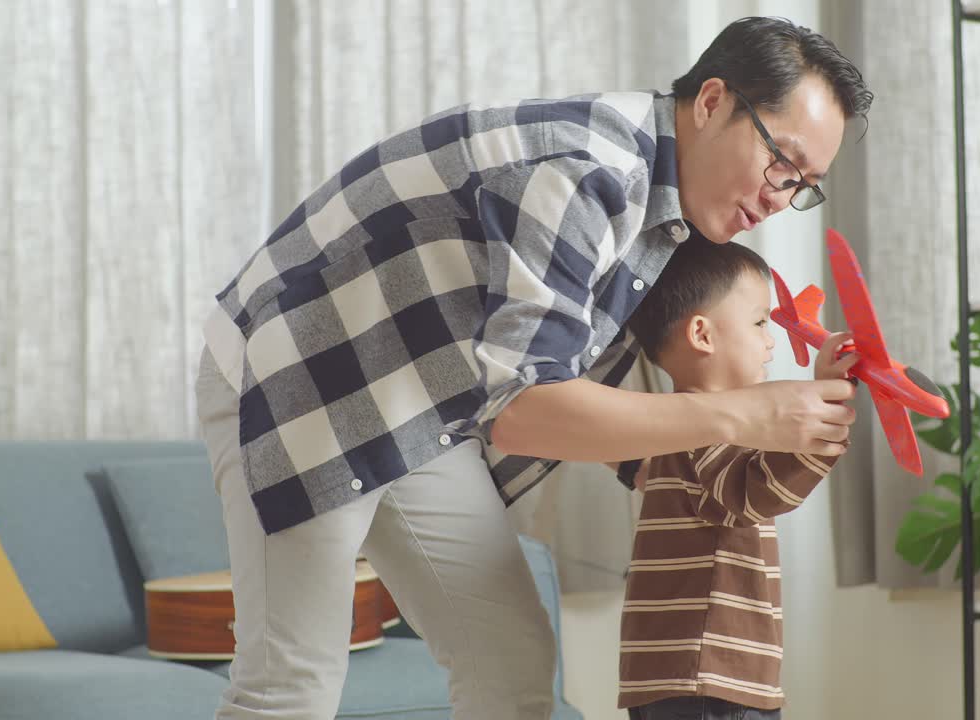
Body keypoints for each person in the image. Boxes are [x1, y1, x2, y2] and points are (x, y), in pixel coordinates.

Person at [194, 15, 872, 720]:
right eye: (780, 161)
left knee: (510, 662)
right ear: (710, 103)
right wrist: (750, 413)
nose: (779, 195)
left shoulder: (669, 222)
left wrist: (795, 418)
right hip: (298, 373)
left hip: (421, 396)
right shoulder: (587, 174)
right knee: (293, 682)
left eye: (803, 184)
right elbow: (527, 411)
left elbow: (635, 421)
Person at [617, 236, 856, 720]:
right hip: (706, 677)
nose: (770, 339)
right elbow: (754, 493)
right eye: (759, 321)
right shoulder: (704, 423)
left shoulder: (681, 422)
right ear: (703, 335)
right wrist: (825, 418)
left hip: (688, 675)